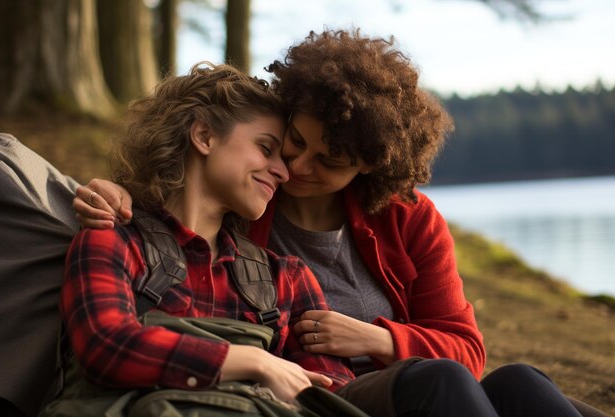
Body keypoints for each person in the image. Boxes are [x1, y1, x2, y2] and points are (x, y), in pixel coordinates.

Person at [73, 30, 609, 417]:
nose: (295, 169)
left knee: (520, 383)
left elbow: (464, 351)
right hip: (361, 393)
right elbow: (179, 202)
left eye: (329, 161)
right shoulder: (241, 210)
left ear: (368, 165)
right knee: (451, 383)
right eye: (290, 144)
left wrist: (377, 339)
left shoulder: (396, 224)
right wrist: (115, 192)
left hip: (383, 383)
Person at [43, 62, 359, 416]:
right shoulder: (115, 241)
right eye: (266, 148)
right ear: (205, 136)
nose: (285, 172)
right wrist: (255, 361)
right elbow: (106, 347)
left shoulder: (285, 277)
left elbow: (335, 390)